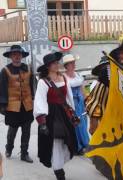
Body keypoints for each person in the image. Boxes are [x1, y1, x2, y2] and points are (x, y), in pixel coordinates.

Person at [34, 52, 77, 180]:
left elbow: (68, 97)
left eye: (57, 62)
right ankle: (59, 171)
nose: (57, 65)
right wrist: (42, 122)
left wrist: (72, 113)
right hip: (51, 116)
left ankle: (59, 165)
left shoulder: (63, 78)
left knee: (66, 141)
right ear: (48, 66)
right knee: (55, 142)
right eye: (53, 63)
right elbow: (40, 100)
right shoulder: (43, 82)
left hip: (64, 114)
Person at [0, 45, 34, 163]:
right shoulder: (5, 70)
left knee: (27, 130)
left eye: (19, 54)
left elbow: (32, 86)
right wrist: (3, 105)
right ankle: (9, 147)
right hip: (13, 106)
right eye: (14, 54)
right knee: (12, 131)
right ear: (10, 56)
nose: (17, 56)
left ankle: (24, 153)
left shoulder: (28, 69)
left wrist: (34, 100)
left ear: (22, 56)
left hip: (27, 105)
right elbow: (2, 88)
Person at [63, 54, 89, 155]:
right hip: (72, 102)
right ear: (67, 65)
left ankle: (85, 144)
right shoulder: (64, 77)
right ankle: (77, 146)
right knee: (76, 124)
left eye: (74, 62)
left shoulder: (77, 75)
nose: (74, 64)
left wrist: (86, 99)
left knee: (83, 123)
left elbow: (82, 88)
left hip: (80, 102)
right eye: (72, 63)